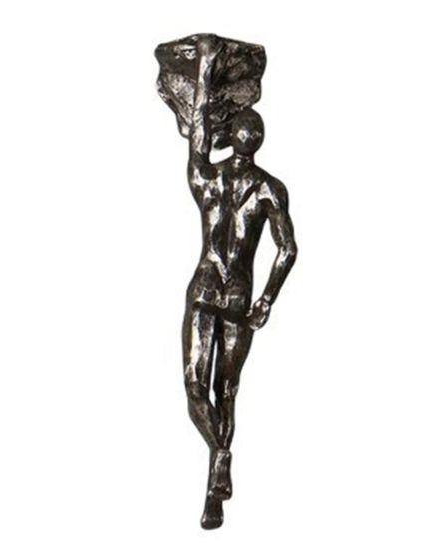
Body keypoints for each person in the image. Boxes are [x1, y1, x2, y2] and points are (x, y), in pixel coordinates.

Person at [182, 35, 298, 529]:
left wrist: (206, 66)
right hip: (234, 295)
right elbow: (287, 249)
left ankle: (217, 472)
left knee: (199, 388)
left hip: (211, 290)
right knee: (222, 391)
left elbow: (197, 133)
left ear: (231, 137)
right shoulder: (270, 188)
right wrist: (267, 299)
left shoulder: (208, 180)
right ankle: (221, 461)